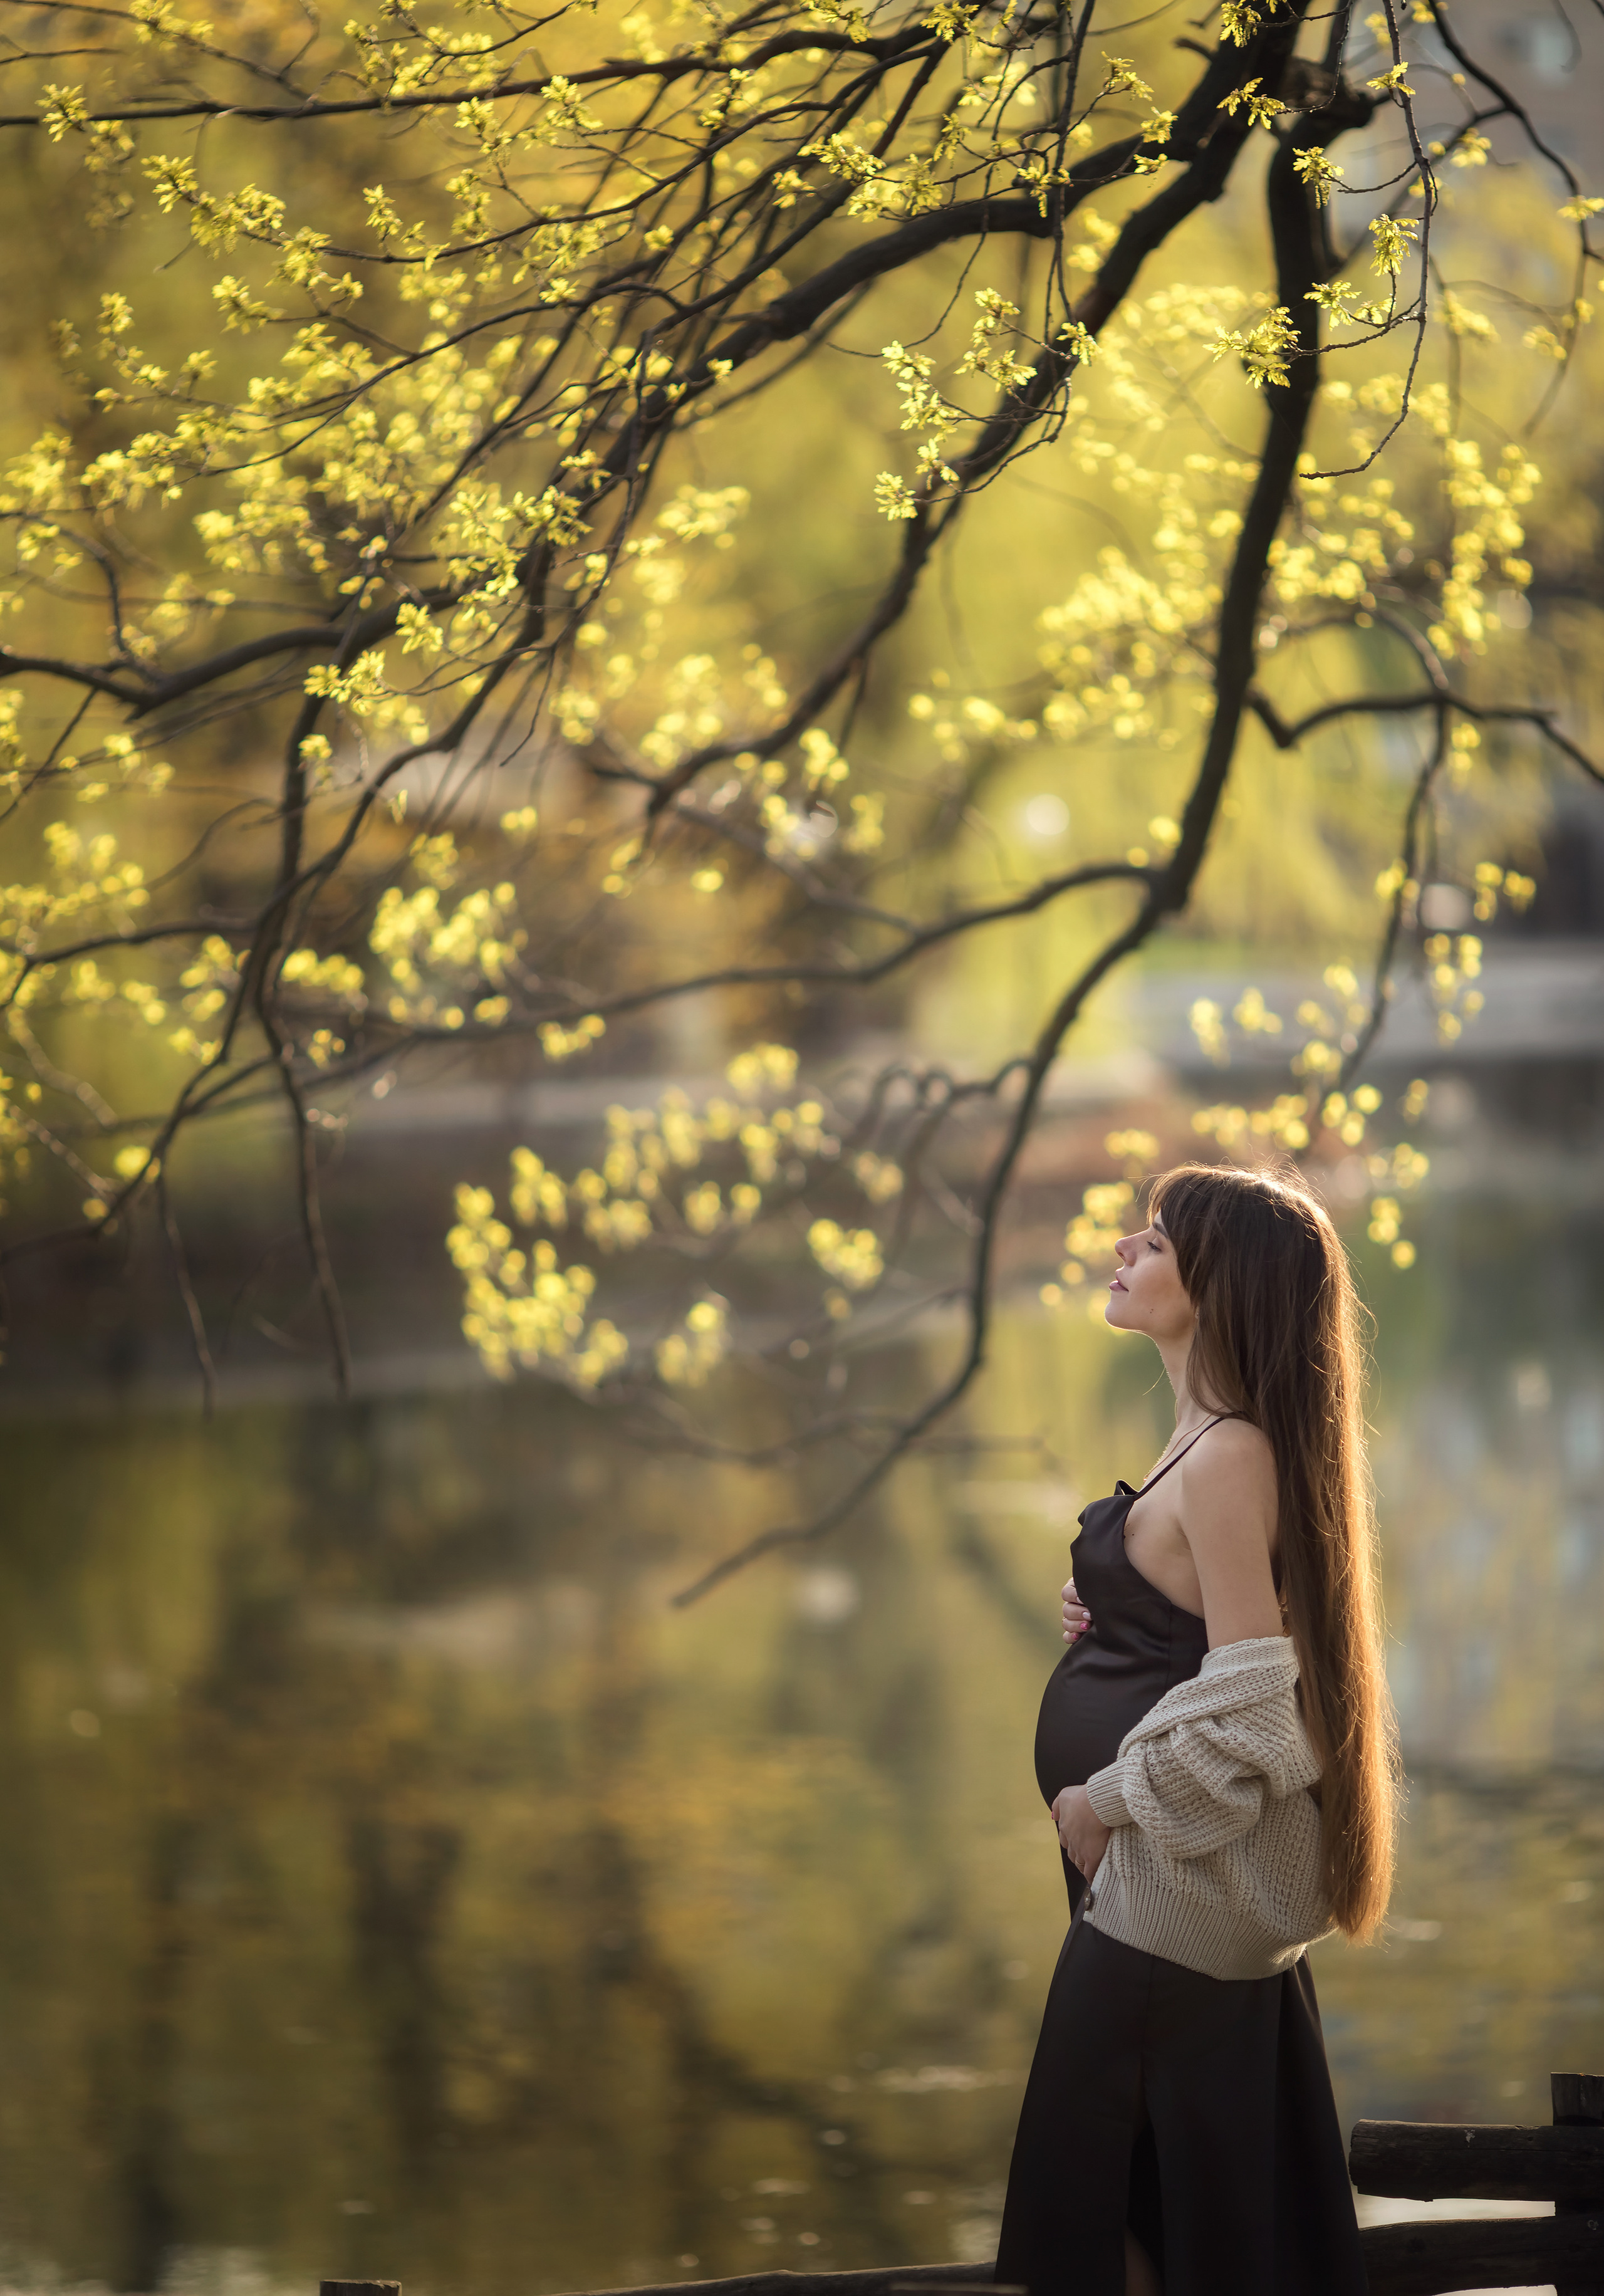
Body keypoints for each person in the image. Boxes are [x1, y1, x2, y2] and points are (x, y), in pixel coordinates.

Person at [992, 1162, 1397, 2296]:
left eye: (1158, 1240)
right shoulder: (1206, 1436)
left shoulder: (1229, 1455)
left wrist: (1101, 1798)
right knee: (1163, 2208)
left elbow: (1263, 1710)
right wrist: (1111, 1601)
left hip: (1171, 1897)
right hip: (1156, 1894)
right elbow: (1216, 1637)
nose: (1125, 1246)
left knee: (1080, 2215)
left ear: (1219, 1288)